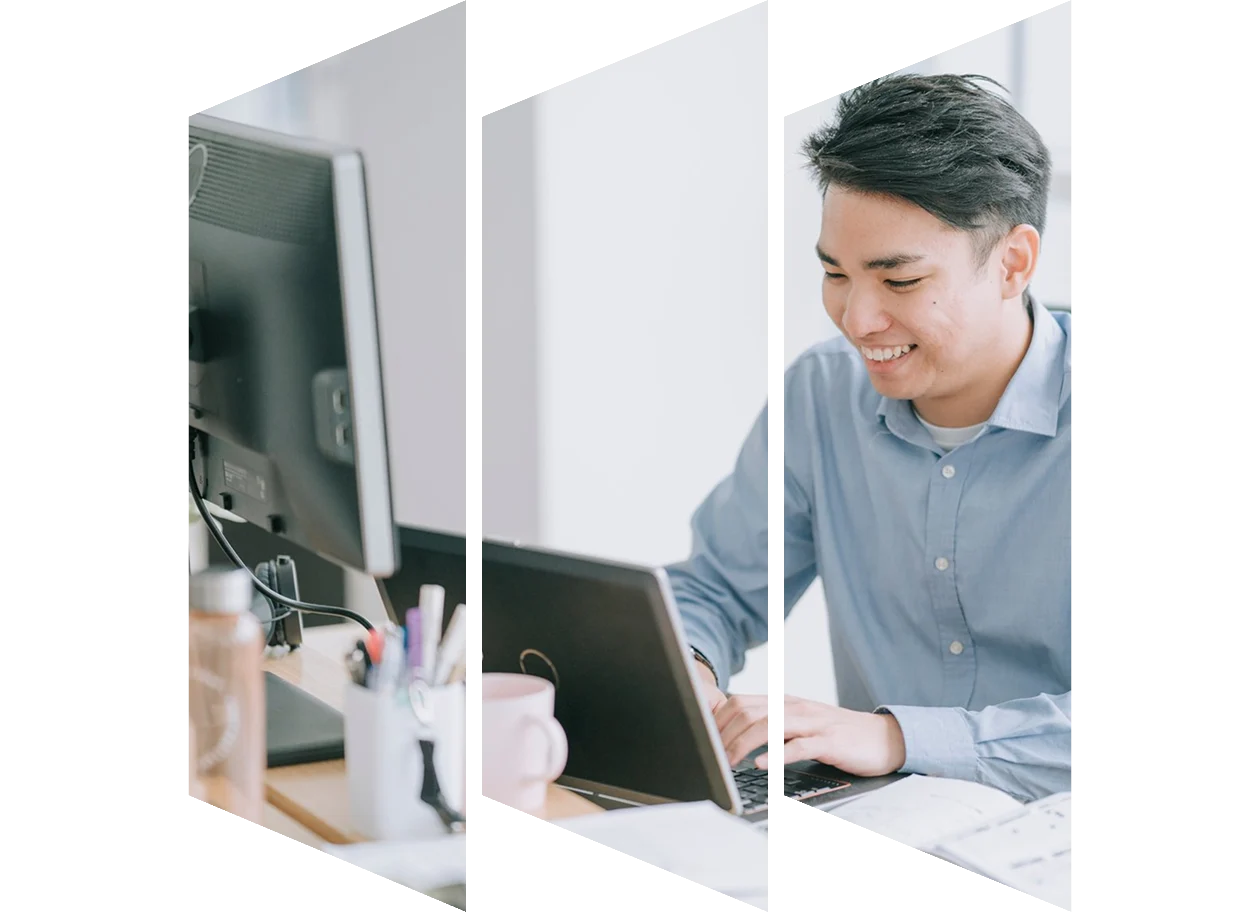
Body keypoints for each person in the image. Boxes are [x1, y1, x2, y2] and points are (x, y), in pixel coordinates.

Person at [666, 73, 1071, 802]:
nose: (856, 321)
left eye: (901, 281)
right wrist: (685, 670)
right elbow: (718, 589)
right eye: (835, 274)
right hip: (880, 816)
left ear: (1012, 263)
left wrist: (896, 736)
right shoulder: (824, 392)